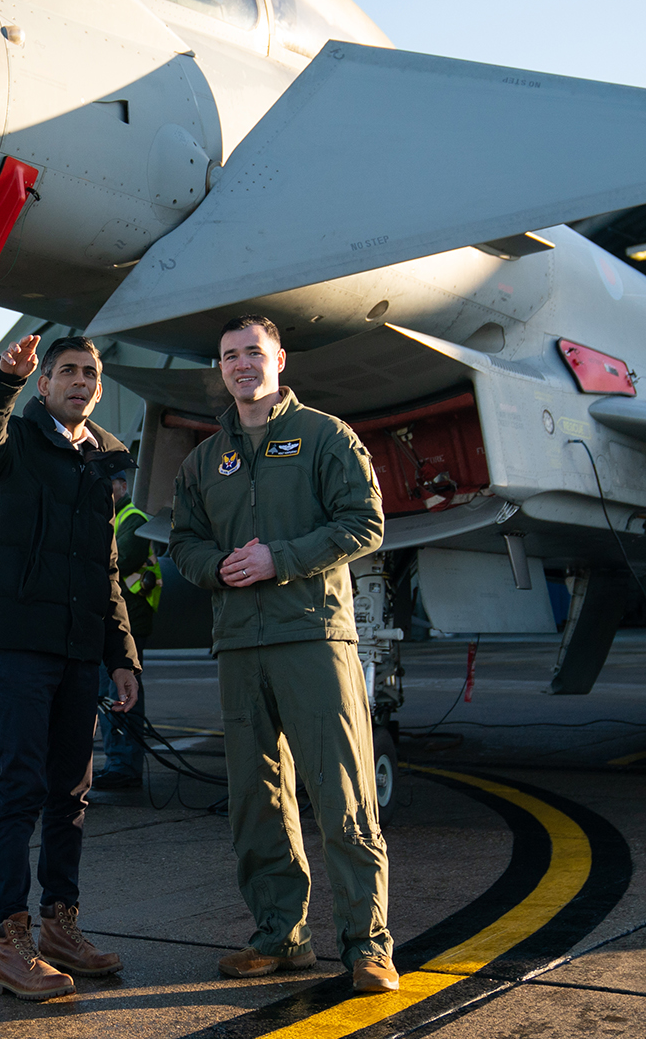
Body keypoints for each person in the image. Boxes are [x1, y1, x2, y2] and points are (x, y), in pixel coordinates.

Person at [168, 316, 399, 995]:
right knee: (256, 800)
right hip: (240, 644)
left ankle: (368, 945)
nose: (242, 365)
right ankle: (279, 936)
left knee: (343, 797)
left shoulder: (326, 436)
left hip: (312, 637)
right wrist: (219, 568)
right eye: (230, 356)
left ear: (278, 359)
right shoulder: (204, 460)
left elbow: (366, 522)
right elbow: (185, 543)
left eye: (253, 353)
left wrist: (280, 559)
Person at [0, 332, 140, 1001]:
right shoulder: (15, 446)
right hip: (20, 645)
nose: (80, 381)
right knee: (23, 788)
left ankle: (61, 926)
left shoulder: (101, 464)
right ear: (44, 385)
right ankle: (8, 944)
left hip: (78, 648)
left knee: (73, 793)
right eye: (67, 371)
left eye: (90, 373)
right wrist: (2, 379)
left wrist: (121, 658)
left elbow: (108, 570)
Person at [95, 474, 159, 790]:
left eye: (111, 485)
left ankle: (124, 764)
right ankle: (118, 761)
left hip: (129, 623)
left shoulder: (132, 519)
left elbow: (119, 560)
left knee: (119, 692)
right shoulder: (109, 518)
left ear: (123, 486)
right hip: (113, 622)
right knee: (108, 694)